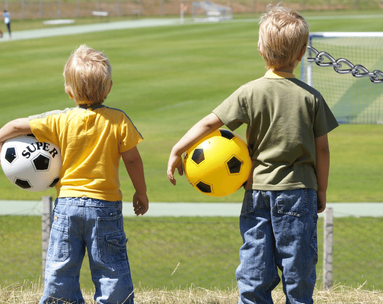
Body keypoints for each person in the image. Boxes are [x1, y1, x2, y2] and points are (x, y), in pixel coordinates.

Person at [167, 5, 338, 303]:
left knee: (255, 266)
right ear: (301, 55)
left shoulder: (250, 91)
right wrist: (321, 189)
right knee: (298, 270)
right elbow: (322, 148)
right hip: (300, 193)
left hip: (257, 192)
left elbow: (210, 123)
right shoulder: (311, 97)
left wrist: (178, 148)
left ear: (260, 49)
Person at [0, 44, 149, 304]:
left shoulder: (59, 119)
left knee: (61, 268)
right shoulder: (118, 120)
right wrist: (141, 192)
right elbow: (133, 160)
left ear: (69, 92)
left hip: (67, 205)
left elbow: (14, 126)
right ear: (110, 87)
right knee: (110, 268)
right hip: (105, 206)